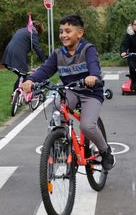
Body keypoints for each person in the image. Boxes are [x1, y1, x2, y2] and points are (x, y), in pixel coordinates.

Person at [22, 14, 115, 171]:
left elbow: (93, 65)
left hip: (91, 92)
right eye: (61, 31)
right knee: (58, 111)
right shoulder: (58, 54)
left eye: (68, 31)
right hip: (70, 91)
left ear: (79, 33)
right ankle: (61, 144)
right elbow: (45, 70)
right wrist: (31, 80)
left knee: (86, 126)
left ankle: (105, 151)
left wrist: (93, 76)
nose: (63, 35)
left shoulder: (88, 50)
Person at [1, 20, 46, 96]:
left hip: (9, 53)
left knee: (22, 75)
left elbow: (22, 44)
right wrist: (45, 61)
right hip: (17, 55)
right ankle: (15, 95)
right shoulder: (32, 33)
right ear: (38, 29)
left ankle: (15, 96)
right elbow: (37, 48)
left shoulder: (22, 30)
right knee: (24, 75)